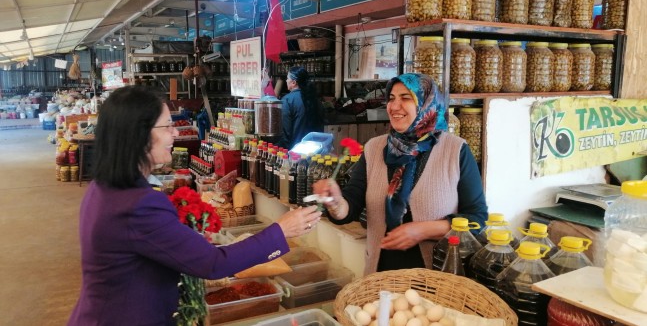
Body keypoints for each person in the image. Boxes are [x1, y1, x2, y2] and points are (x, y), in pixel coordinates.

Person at [67, 86, 322, 325]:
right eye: (167, 126)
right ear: (140, 133)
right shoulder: (139, 204)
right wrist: (280, 230)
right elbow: (212, 264)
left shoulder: (104, 187)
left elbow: (158, 248)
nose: (175, 133)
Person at [314, 73, 488, 275]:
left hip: (437, 276)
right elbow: (350, 206)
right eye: (391, 98)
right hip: (382, 275)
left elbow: (477, 219)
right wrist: (335, 202)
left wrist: (422, 230)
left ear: (426, 103)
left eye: (406, 98)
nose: (394, 107)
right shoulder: (374, 149)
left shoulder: (455, 151)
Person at [278, 66, 324, 149]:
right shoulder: (315, 99)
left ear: (293, 82)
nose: (286, 80)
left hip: (295, 151)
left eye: (287, 78)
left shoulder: (287, 100)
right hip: (315, 150)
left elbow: (285, 132)